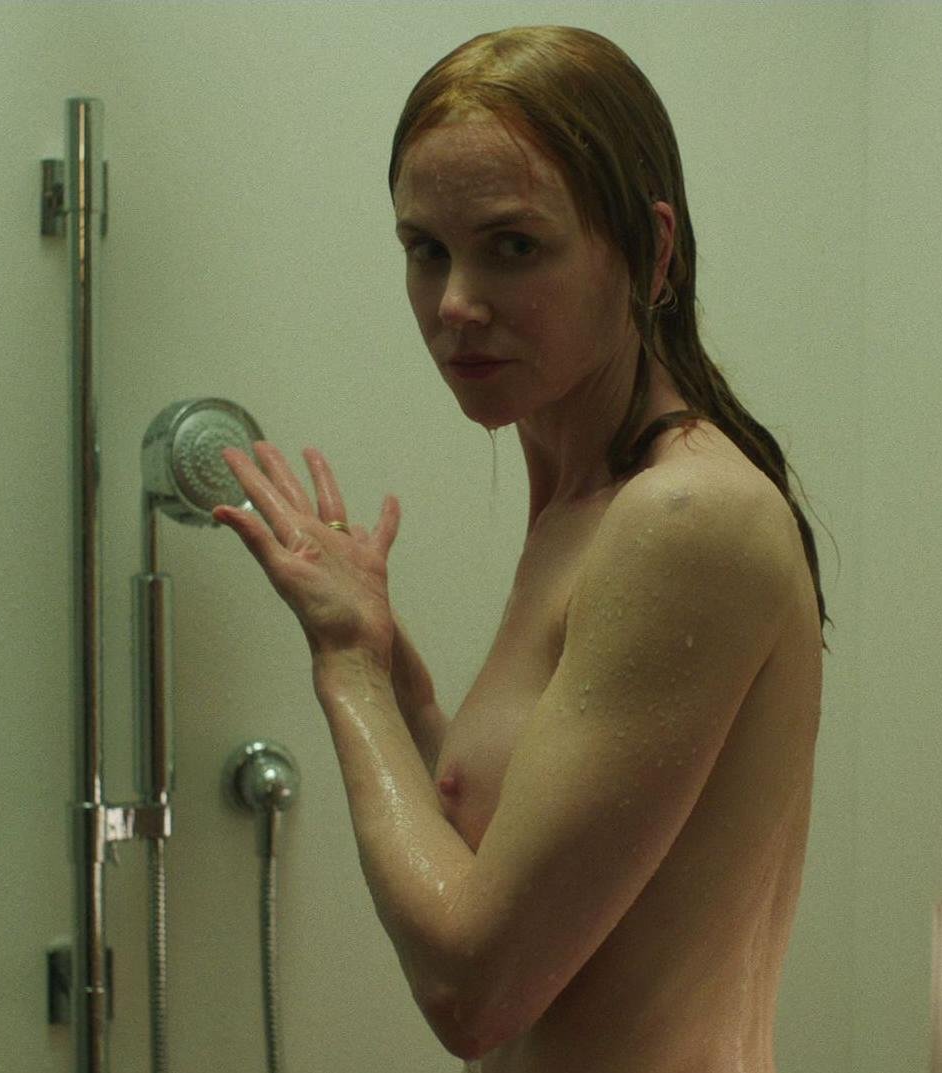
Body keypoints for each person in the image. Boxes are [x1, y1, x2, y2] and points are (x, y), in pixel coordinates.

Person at [213, 25, 831, 1072]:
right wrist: (394, 674)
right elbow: (516, 869)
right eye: (427, 250)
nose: (456, 304)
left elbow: (476, 989)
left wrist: (348, 670)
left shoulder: (686, 519)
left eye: (513, 246)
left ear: (652, 252)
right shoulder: (587, 502)